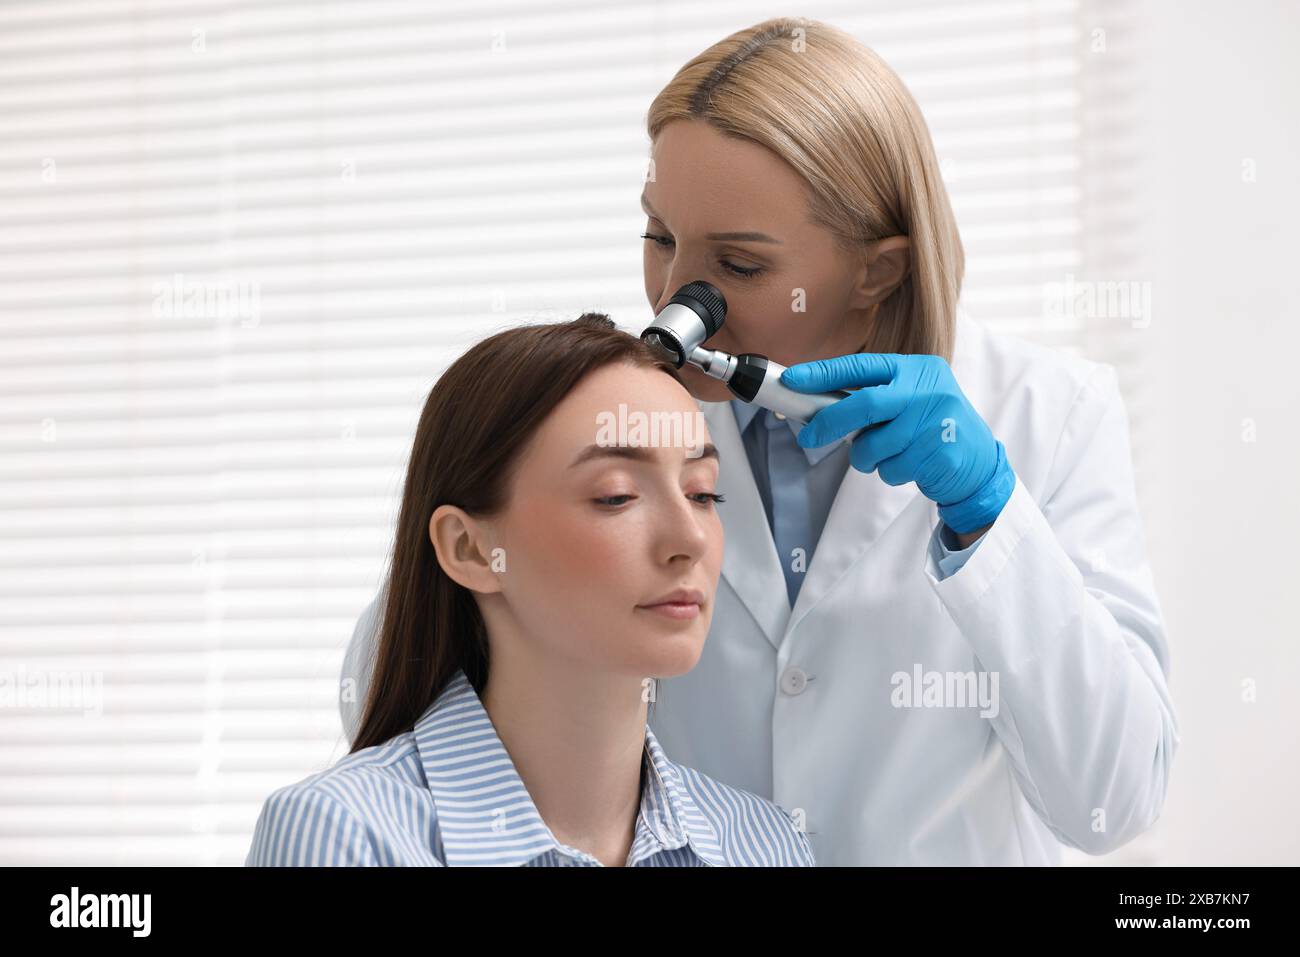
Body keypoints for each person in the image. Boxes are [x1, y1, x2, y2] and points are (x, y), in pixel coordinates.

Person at [341, 17, 1180, 866]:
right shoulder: (620, 416)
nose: (675, 298)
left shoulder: (1050, 412)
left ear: (875, 270)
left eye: (738, 266)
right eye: (658, 237)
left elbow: (1112, 797)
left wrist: (989, 518)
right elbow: (399, 696)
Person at [248, 314, 814, 866]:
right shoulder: (341, 834)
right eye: (615, 496)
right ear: (469, 549)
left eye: (702, 494)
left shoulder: (763, 846)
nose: (690, 538)